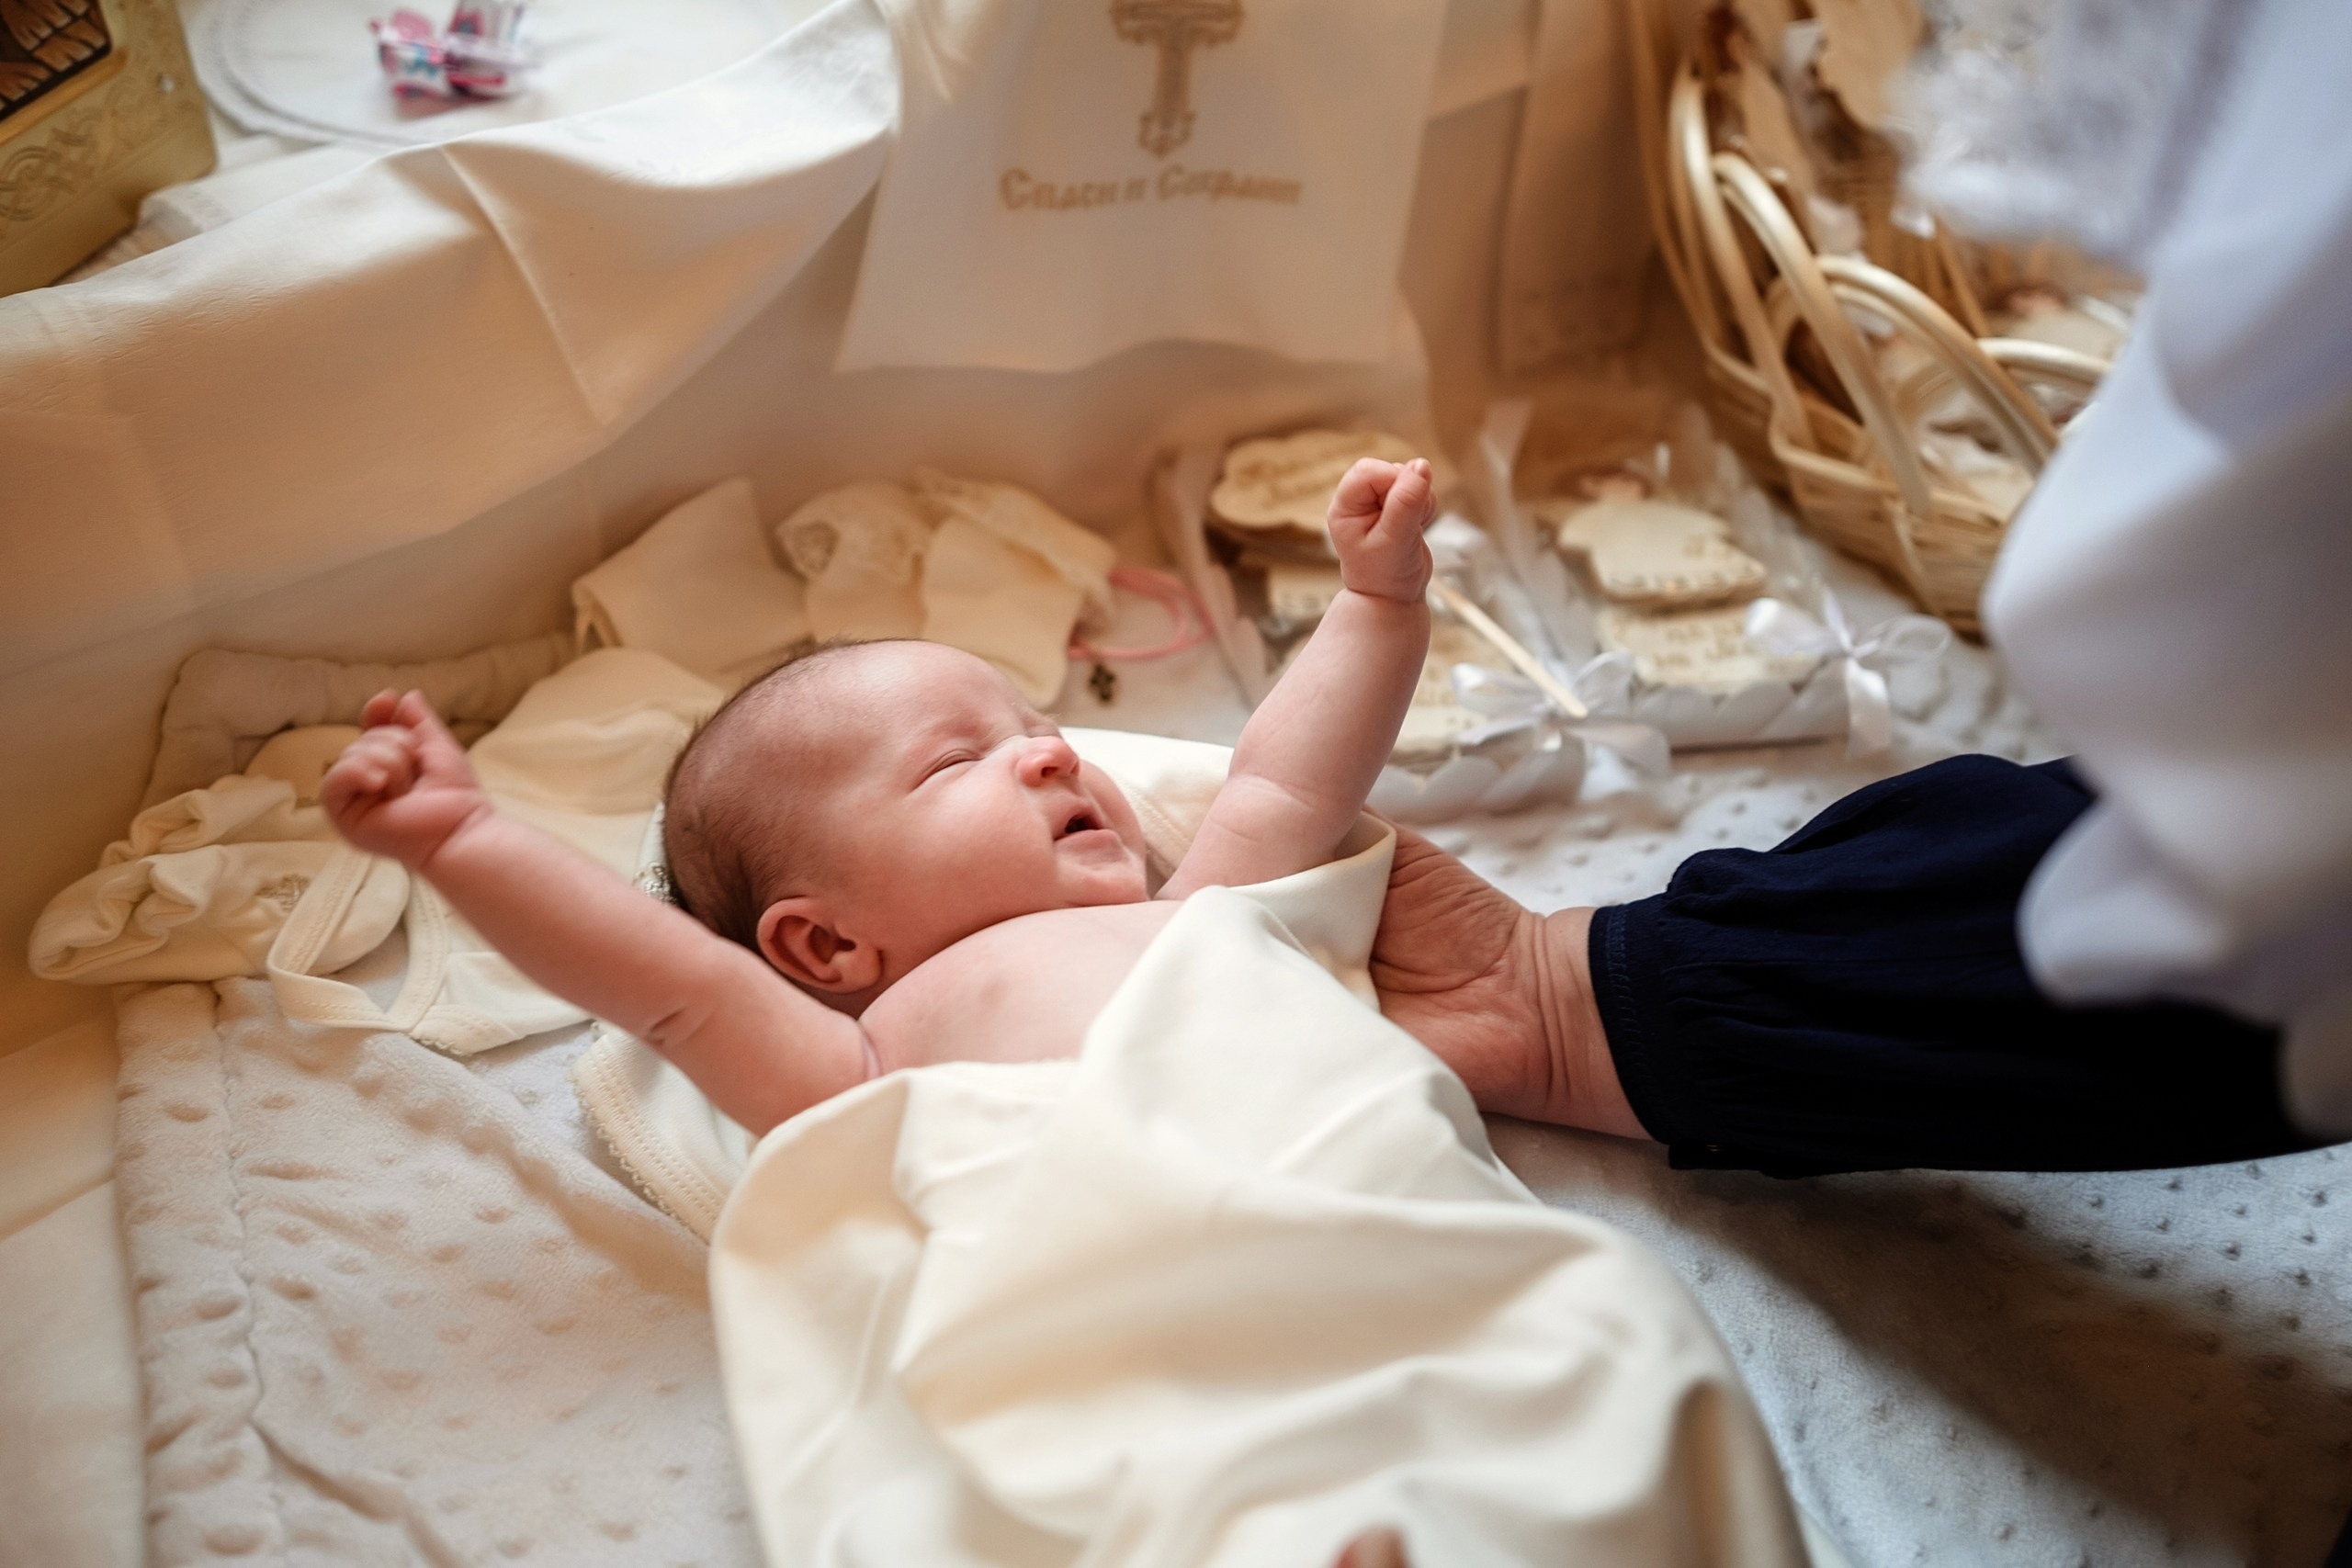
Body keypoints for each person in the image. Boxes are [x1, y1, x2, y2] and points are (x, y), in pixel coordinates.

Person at [320, 457, 1439, 1135]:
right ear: (824, 947)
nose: (1051, 757)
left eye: (1041, 734)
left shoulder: (1188, 911)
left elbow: (1286, 773)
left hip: (1378, 1200)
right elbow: (667, 988)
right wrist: (461, 837)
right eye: (957, 764)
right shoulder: (877, 1065)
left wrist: (1377, 601)